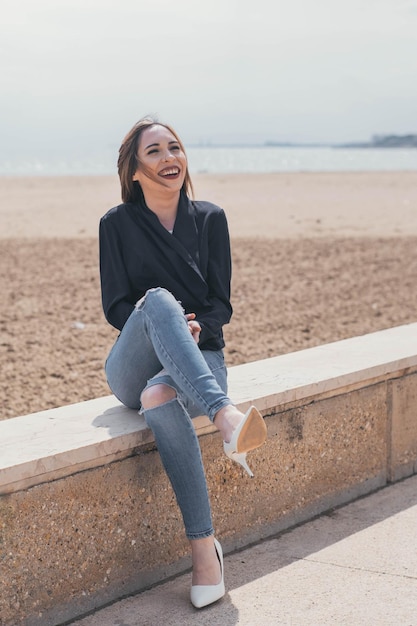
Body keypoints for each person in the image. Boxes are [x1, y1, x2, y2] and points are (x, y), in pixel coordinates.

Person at [99, 116, 267, 608]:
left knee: (160, 395)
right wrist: (166, 321)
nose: (169, 158)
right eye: (153, 151)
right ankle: (226, 416)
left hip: (200, 355)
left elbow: (221, 305)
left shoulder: (211, 218)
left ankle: (204, 552)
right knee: (157, 301)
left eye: (175, 148)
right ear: (133, 170)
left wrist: (193, 329)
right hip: (131, 363)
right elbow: (115, 307)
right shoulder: (116, 224)